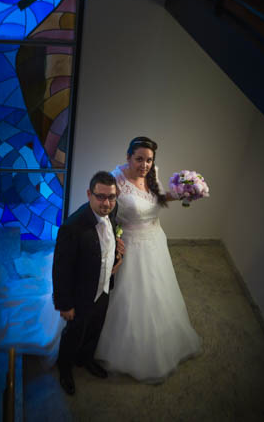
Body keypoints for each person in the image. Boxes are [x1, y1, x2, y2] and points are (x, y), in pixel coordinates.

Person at [94, 136, 201, 382]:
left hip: (155, 240)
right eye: (139, 159)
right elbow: (104, 212)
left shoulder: (152, 174)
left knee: (159, 292)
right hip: (131, 245)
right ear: (128, 157)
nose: (144, 165)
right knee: (131, 298)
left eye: (149, 160)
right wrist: (113, 240)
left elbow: (158, 199)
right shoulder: (116, 180)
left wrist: (185, 192)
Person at [52, 171, 125, 395]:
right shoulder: (72, 227)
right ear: (89, 194)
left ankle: (86, 359)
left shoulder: (113, 212)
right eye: (100, 196)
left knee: (95, 328)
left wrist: (116, 255)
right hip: (80, 293)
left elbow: (108, 239)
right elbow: (61, 271)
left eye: (111, 197)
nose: (107, 203)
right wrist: (65, 305)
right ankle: (65, 369)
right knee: (74, 332)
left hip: (103, 288)